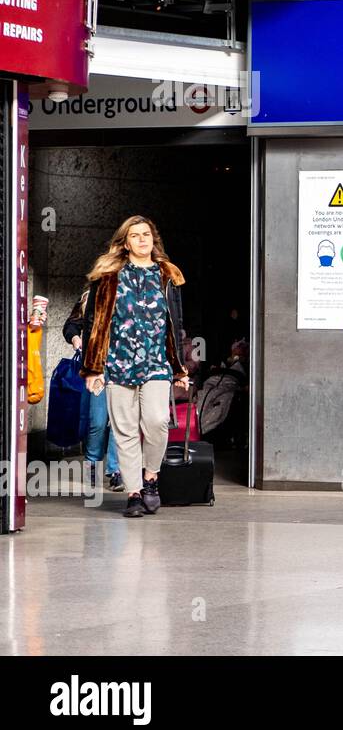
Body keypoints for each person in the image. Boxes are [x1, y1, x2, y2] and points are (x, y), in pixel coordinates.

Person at [79, 216, 189, 518]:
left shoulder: (167, 275)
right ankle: (134, 493)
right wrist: (93, 368)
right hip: (117, 362)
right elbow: (94, 324)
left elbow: (175, 324)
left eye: (147, 234)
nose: (142, 239)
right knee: (124, 430)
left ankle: (150, 477)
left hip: (156, 363)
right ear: (125, 243)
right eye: (135, 235)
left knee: (156, 421)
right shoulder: (108, 274)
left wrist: (179, 368)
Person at [62, 289, 124, 492]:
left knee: (119, 422)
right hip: (98, 368)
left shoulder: (129, 293)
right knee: (97, 421)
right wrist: (76, 339)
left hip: (123, 368)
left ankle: (116, 471)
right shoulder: (91, 295)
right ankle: (92, 467)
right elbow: (71, 325)